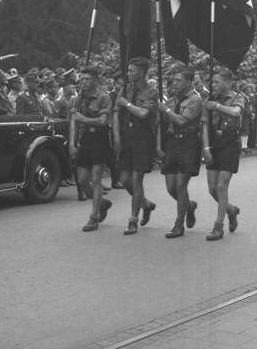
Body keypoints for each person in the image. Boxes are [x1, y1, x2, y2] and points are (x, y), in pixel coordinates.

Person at [113, 57, 159, 235]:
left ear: (141, 72)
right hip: (127, 136)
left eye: (132, 70)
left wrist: (127, 103)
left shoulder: (151, 91)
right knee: (125, 179)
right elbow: (116, 112)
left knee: (136, 178)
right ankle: (145, 204)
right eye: (128, 70)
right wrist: (117, 137)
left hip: (143, 137)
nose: (129, 73)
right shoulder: (125, 89)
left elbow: (143, 113)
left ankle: (133, 220)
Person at [158, 67, 203, 238]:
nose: (174, 83)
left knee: (180, 184)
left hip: (188, 143)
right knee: (171, 187)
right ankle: (189, 206)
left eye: (178, 80)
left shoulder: (195, 100)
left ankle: (179, 224)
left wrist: (166, 110)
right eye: (174, 80)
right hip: (172, 143)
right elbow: (161, 123)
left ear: (189, 82)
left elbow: (183, 121)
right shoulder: (171, 100)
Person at [202, 68, 244, 241]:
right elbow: (205, 125)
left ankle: (218, 227)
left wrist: (218, 107)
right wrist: (206, 149)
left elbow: (236, 112)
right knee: (212, 189)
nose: (214, 85)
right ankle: (231, 210)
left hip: (230, 143)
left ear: (228, 83)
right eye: (212, 82)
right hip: (214, 143)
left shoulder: (237, 97)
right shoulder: (208, 100)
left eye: (217, 82)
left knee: (221, 186)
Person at [70, 67, 113, 232]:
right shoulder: (77, 99)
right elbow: (74, 122)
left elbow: (103, 121)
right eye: (82, 79)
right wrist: (72, 144)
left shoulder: (104, 98)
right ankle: (101, 203)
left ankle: (94, 217)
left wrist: (84, 119)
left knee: (96, 179)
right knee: (82, 180)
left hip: (100, 139)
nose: (83, 82)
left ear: (95, 81)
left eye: (87, 79)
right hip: (85, 139)